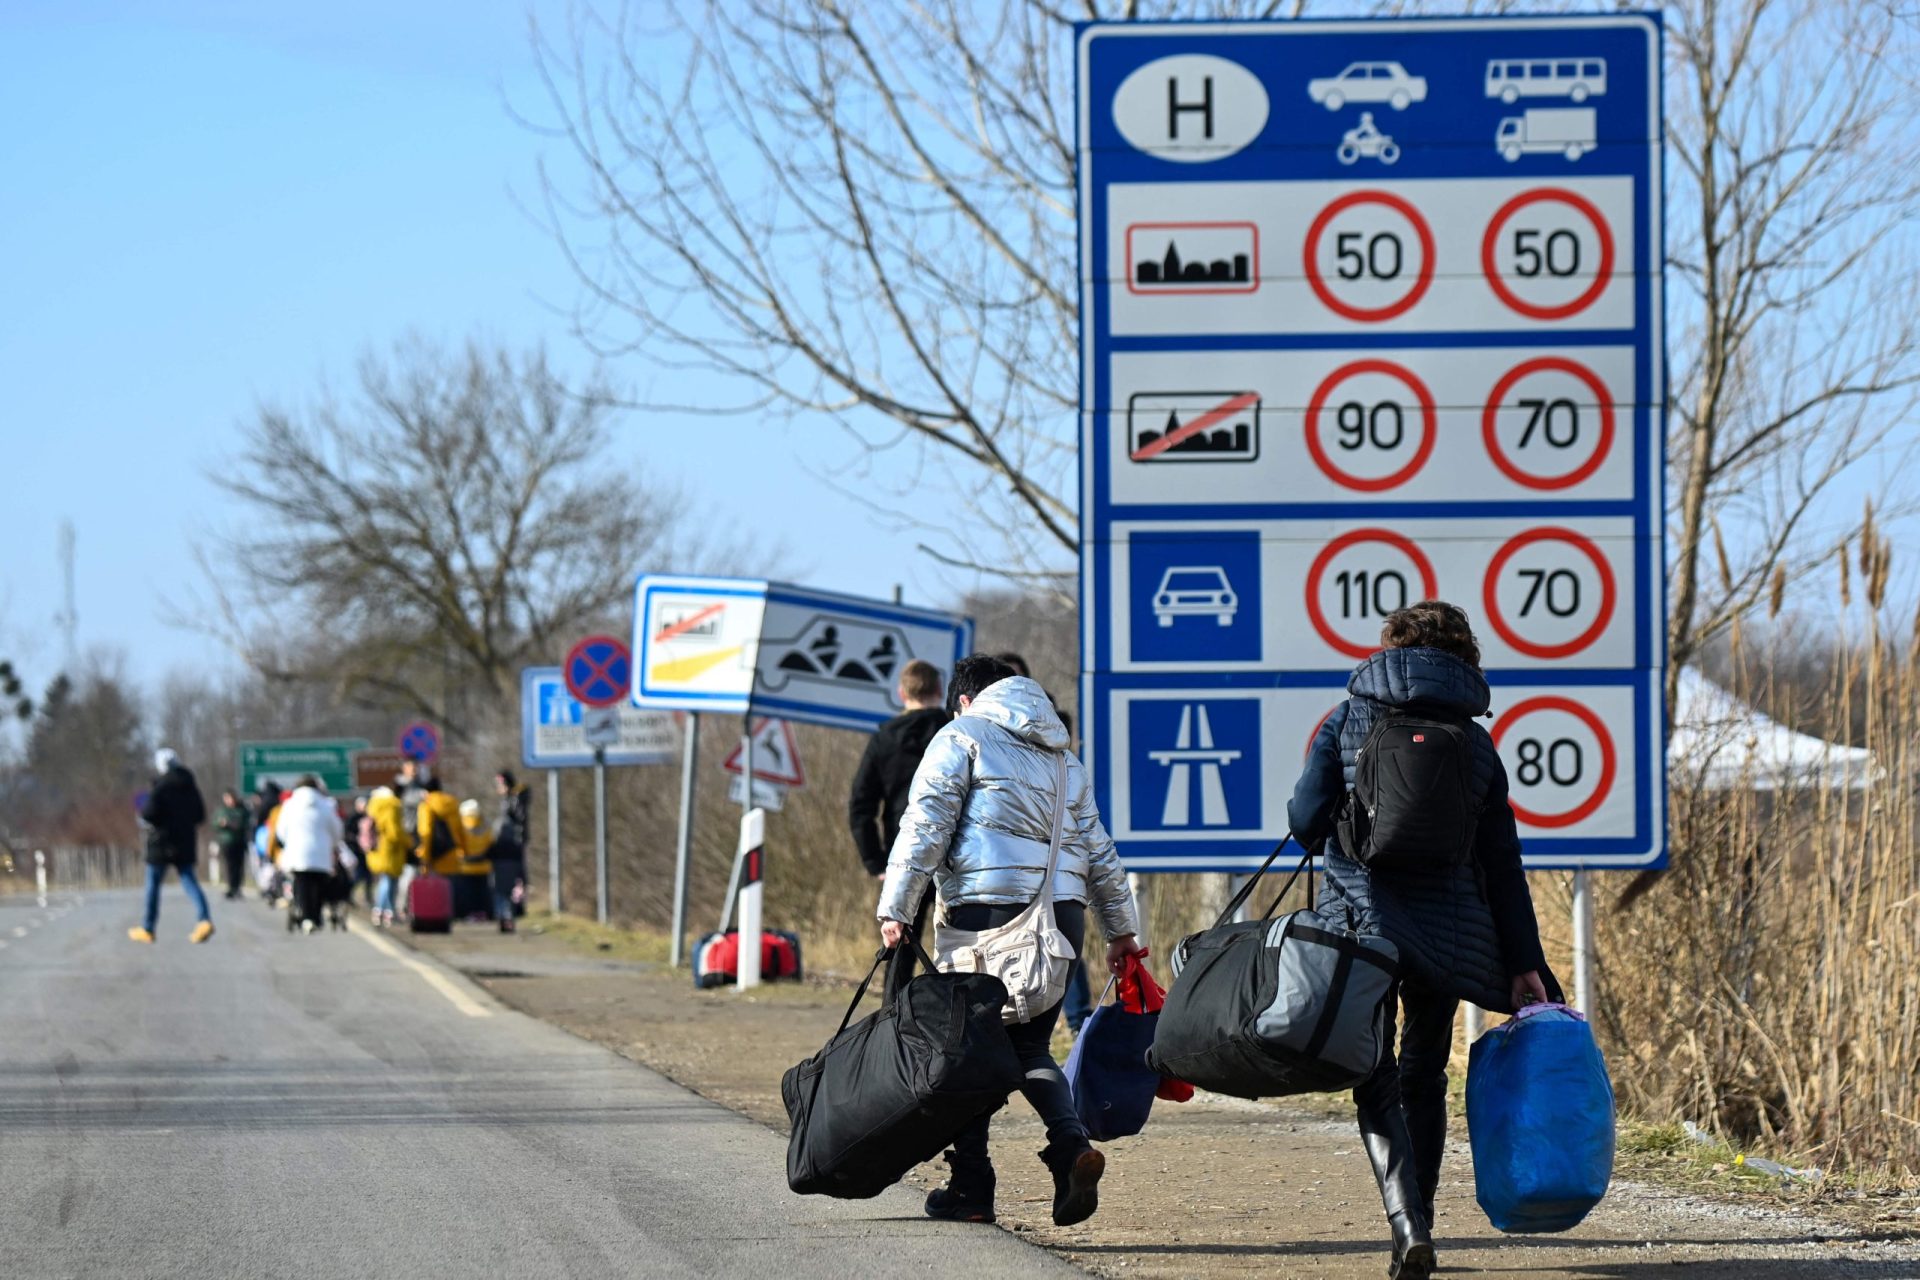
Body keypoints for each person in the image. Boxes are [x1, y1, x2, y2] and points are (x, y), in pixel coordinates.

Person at [1287, 601, 1562, 1280]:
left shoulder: (1347, 718)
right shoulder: (1473, 742)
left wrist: (1343, 833)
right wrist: (1526, 963)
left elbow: (1303, 819)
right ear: (1465, 658)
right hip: (1448, 931)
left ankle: (1405, 1222)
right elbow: (1501, 861)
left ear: (1391, 647)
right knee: (1424, 1076)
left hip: (1363, 921)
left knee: (1374, 1076)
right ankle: (1427, 1221)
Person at [875, 655, 1141, 1229]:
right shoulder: (1065, 758)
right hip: (1061, 918)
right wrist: (1121, 932)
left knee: (965, 1055)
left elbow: (925, 823)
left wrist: (896, 905)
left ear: (965, 701)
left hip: (986, 915)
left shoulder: (961, 735)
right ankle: (1071, 1149)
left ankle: (971, 1186)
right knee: (1028, 1050)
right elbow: (1100, 854)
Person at [995, 651, 1093, 1033]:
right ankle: (1019, 1020)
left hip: (1055, 857)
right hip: (1012, 864)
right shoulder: (983, 732)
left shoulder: (1053, 726)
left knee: (1063, 943)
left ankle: (1077, 1018)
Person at [847, 659, 950, 881]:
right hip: (954, 855)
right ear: (940, 690)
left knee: (900, 917)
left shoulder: (883, 740)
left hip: (902, 852)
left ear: (902, 694)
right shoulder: (956, 734)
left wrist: (875, 861)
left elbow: (861, 805)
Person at [131, 748, 213, 944]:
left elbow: (148, 813)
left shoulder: (161, 786)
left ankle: (148, 927)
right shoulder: (190, 785)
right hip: (184, 841)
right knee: (189, 881)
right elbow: (200, 815)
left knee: (153, 885)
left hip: (160, 842)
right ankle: (204, 919)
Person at [274, 775, 343, 934]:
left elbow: (281, 830)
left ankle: (305, 916)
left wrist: (286, 843)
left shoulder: (289, 805)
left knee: (301, 883)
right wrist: (332, 844)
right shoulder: (326, 805)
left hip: (297, 853)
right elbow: (337, 830)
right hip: (321, 852)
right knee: (318, 884)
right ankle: (316, 917)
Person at [417, 779, 489, 918]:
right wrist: (465, 850)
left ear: (427, 792)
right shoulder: (453, 803)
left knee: (434, 886)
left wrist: (424, 857)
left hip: (434, 855)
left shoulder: (426, 806)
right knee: (451, 885)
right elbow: (461, 830)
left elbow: (426, 831)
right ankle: (452, 913)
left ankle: (436, 914)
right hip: (452, 851)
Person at [490, 771, 531, 933]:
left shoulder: (515, 800)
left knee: (510, 883)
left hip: (512, 848)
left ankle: (510, 914)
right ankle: (509, 914)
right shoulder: (512, 799)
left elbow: (517, 822)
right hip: (512, 848)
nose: (497, 788)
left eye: (499, 784)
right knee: (513, 881)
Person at [363, 786, 410, 927]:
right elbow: (394, 832)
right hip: (390, 850)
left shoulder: (373, 808)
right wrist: (408, 841)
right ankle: (384, 910)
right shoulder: (391, 807)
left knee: (386, 881)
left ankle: (384, 911)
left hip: (376, 850)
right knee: (389, 882)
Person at [212, 789, 251, 901]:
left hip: (239, 841)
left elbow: (245, 823)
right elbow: (215, 823)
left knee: (239, 865)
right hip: (226, 841)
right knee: (229, 865)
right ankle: (230, 887)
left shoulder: (241, 810)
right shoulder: (222, 810)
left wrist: (233, 825)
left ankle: (237, 887)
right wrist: (222, 824)